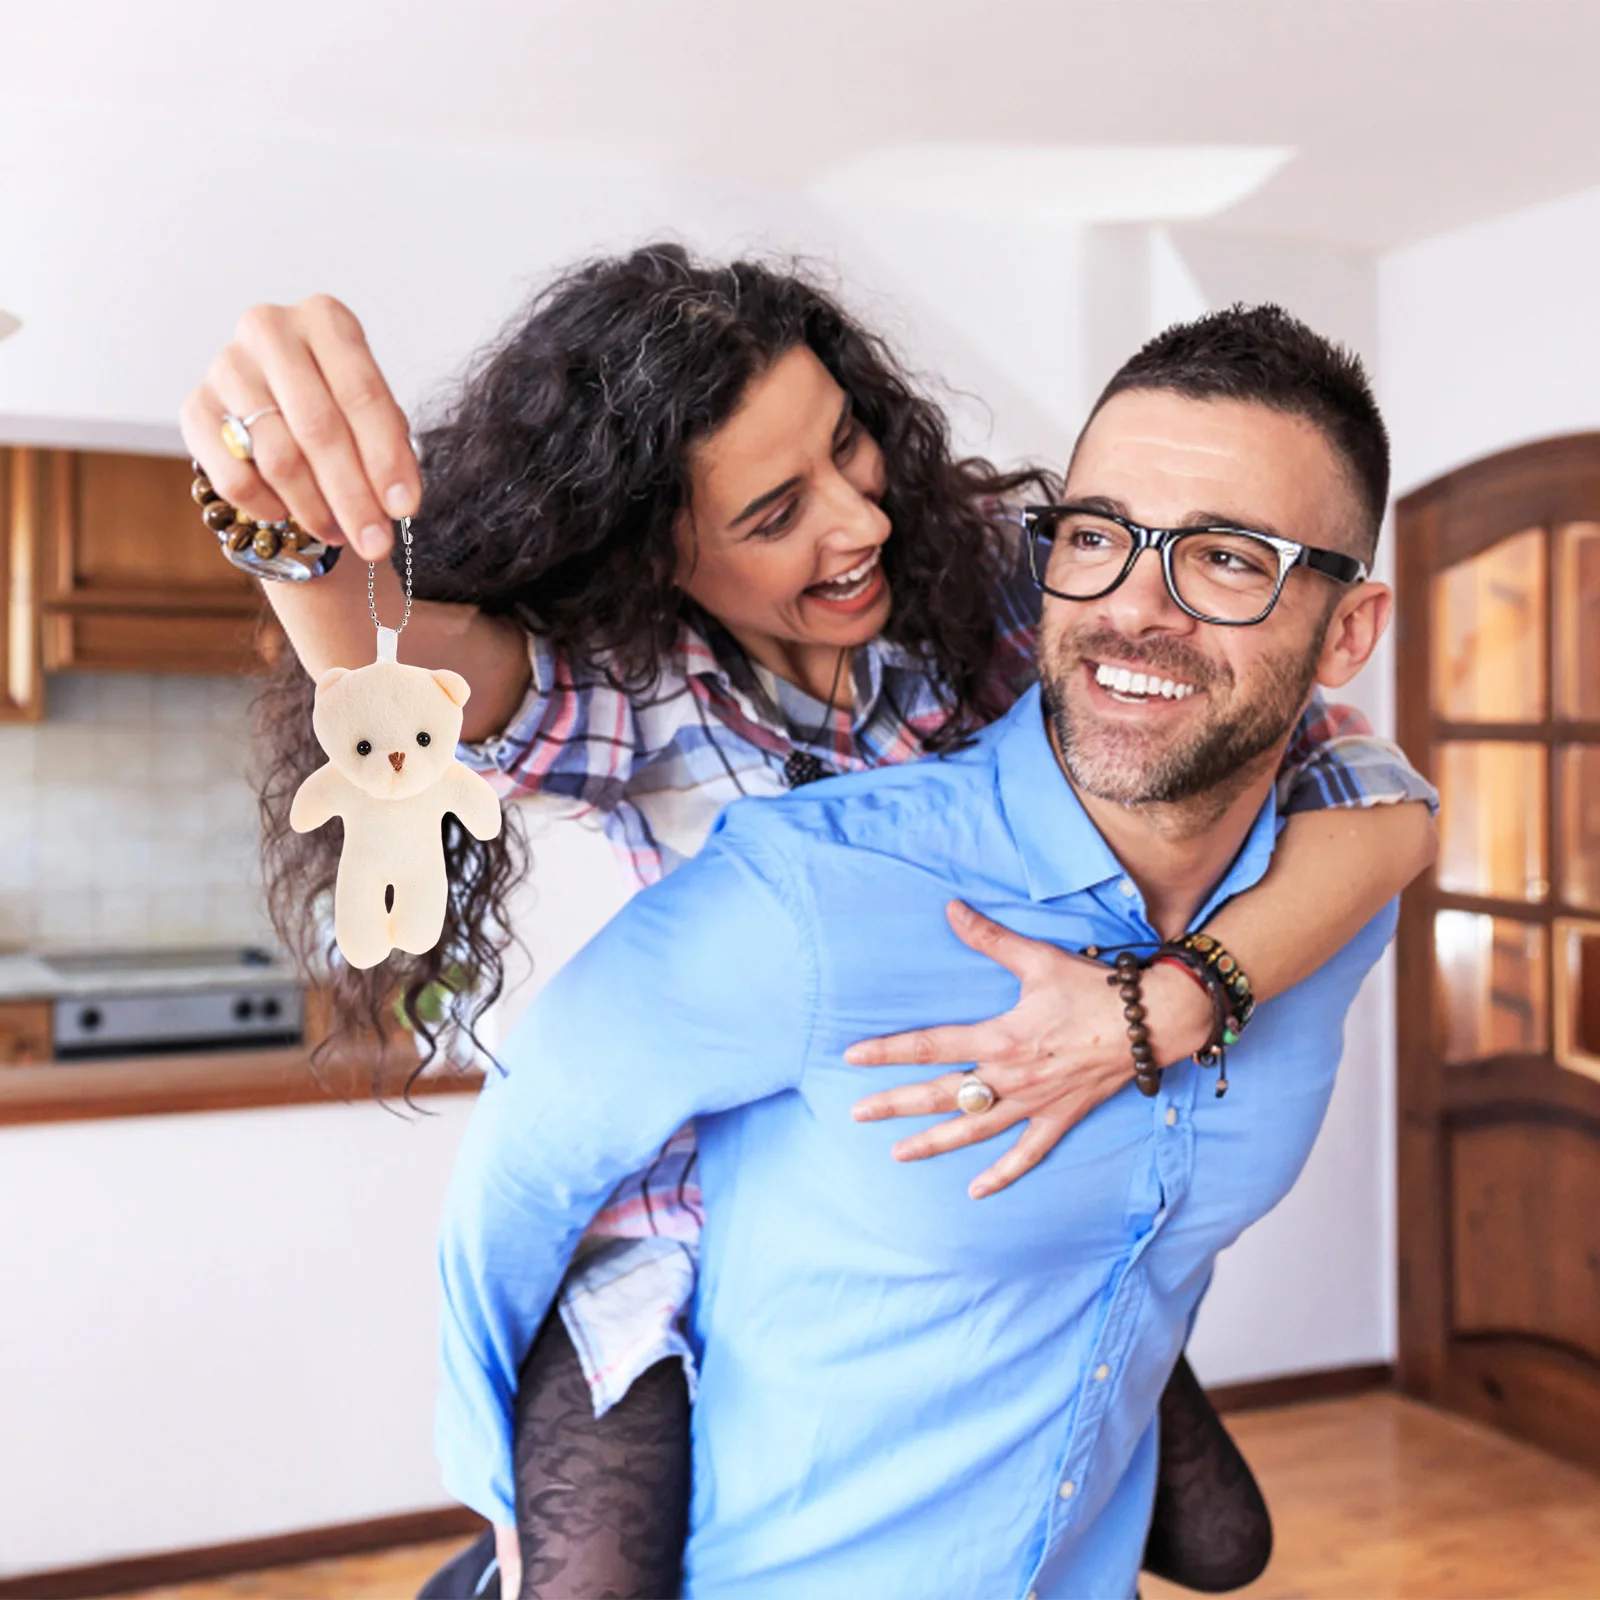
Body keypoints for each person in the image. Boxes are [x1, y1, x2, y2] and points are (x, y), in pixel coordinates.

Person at [180, 252, 1434, 1597]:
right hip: (685, 1208)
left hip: (949, 1163)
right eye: (777, 511)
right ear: (661, 549)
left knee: (1222, 1539)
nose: (860, 522)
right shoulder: (644, 696)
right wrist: (288, 524)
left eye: (850, 448)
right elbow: (396, 676)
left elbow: (1370, 788)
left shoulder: (1005, 599)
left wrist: (1180, 996)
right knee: (581, 1570)